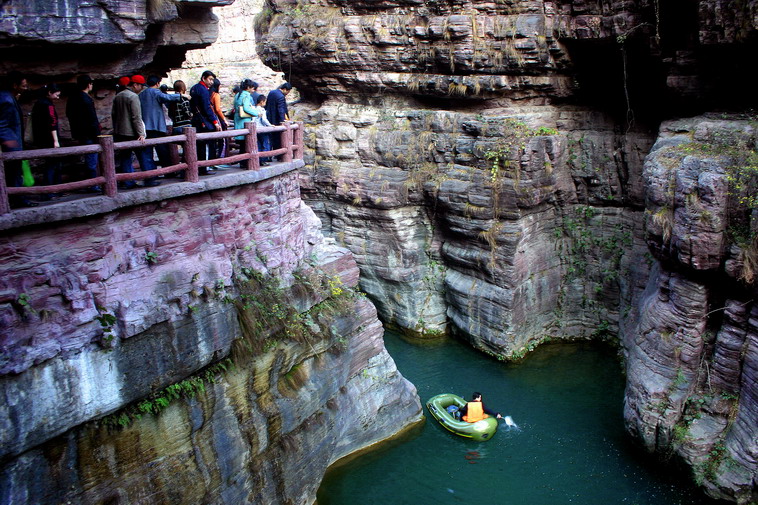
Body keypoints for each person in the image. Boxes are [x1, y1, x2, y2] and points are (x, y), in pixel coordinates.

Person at [111, 74, 157, 188]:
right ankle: (149, 179)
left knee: (125, 158)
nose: (141, 88)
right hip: (133, 133)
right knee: (143, 156)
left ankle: (128, 181)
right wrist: (141, 133)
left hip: (120, 132)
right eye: (140, 85)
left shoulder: (118, 96)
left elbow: (114, 115)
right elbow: (136, 117)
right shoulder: (133, 97)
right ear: (135, 85)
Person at [0, 71, 35, 207]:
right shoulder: (6, 100)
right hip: (11, 145)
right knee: (14, 173)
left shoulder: (8, 96)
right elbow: (2, 125)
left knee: (15, 173)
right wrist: (11, 143)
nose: (26, 88)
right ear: (15, 85)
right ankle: (18, 201)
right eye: (24, 86)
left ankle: (17, 199)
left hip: (12, 143)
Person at [66, 74, 101, 192]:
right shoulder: (86, 99)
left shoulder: (73, 98)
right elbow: (92, 119)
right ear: (88, 84)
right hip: (89, 134)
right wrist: (97, 134)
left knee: (89, 158)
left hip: (80, 133)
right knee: (92, 159)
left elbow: (69, 114)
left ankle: (91, 183)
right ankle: (93, 184)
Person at [139, 75, 181, 173]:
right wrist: (180, 95)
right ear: (157, 83)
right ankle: (168, 172)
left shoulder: (141, 94)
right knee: (163, 151)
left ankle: (151, 173)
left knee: (147, 152)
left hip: (145, 127)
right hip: (156, 126)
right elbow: (166, 97)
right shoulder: (156, 92)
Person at [31, 83, 62, 199]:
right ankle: (50, 191)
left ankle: (52, 190)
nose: (58, 98)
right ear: (49, 93)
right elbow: (52, 123)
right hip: (49, 140)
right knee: (52, 165)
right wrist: (56, 141)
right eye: (57, 95)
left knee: (51, 165)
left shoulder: (38, 104)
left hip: (41, 139)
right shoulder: (47, 105)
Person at [189, 70, 222, 175]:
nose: (211, 82)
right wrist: (215, 121)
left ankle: (198, 167)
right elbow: (207, 107)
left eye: (212, 80)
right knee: (204, 144)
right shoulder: (203, 90)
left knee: (198, 145)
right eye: (210, 79)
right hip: (202, 120)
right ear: (203, 78)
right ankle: (203, 168)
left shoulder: (194, 88)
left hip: (196, 119)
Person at [232, 79, 258, 169]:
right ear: (248, 87)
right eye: (252, 88)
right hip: (244, 121)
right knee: (246, 144)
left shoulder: (238, 94)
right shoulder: (246, 95)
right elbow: (246, 108)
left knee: (242, 144)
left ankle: (242, 162)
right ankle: (245, 163)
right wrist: (257, 113)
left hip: (237, 120)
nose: (252, 90)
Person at [265, 82, 292, 158]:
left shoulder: (272, 92)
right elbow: (281, 109)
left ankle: (268, 156)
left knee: (269, 138)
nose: (287, 93)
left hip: (269, 118)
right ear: (285, 89)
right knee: (277, 138)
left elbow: (267, 105)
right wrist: (283, 120)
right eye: (288, 91)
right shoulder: (281, 96)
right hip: (276, 120)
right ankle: (278, 155)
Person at [209, 78, 227, 162]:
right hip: (216, 118)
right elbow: (218, 109)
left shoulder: (208, 94)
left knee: (211, 141)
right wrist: (224, 119)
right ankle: (220, 159)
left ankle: (211, 159)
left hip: (209, 118)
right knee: (222, 139)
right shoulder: (216, 95)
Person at [254, 94, 272, 165]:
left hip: (256, 129)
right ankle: (263, 160)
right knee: (265, 144)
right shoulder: (262, 110)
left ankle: (258, 160)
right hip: (262, 129)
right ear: (261, 102)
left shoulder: (253, 109)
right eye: (264, 102)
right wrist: (270, 125)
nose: (265, 103)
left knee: (258, 145)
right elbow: (264, 120)